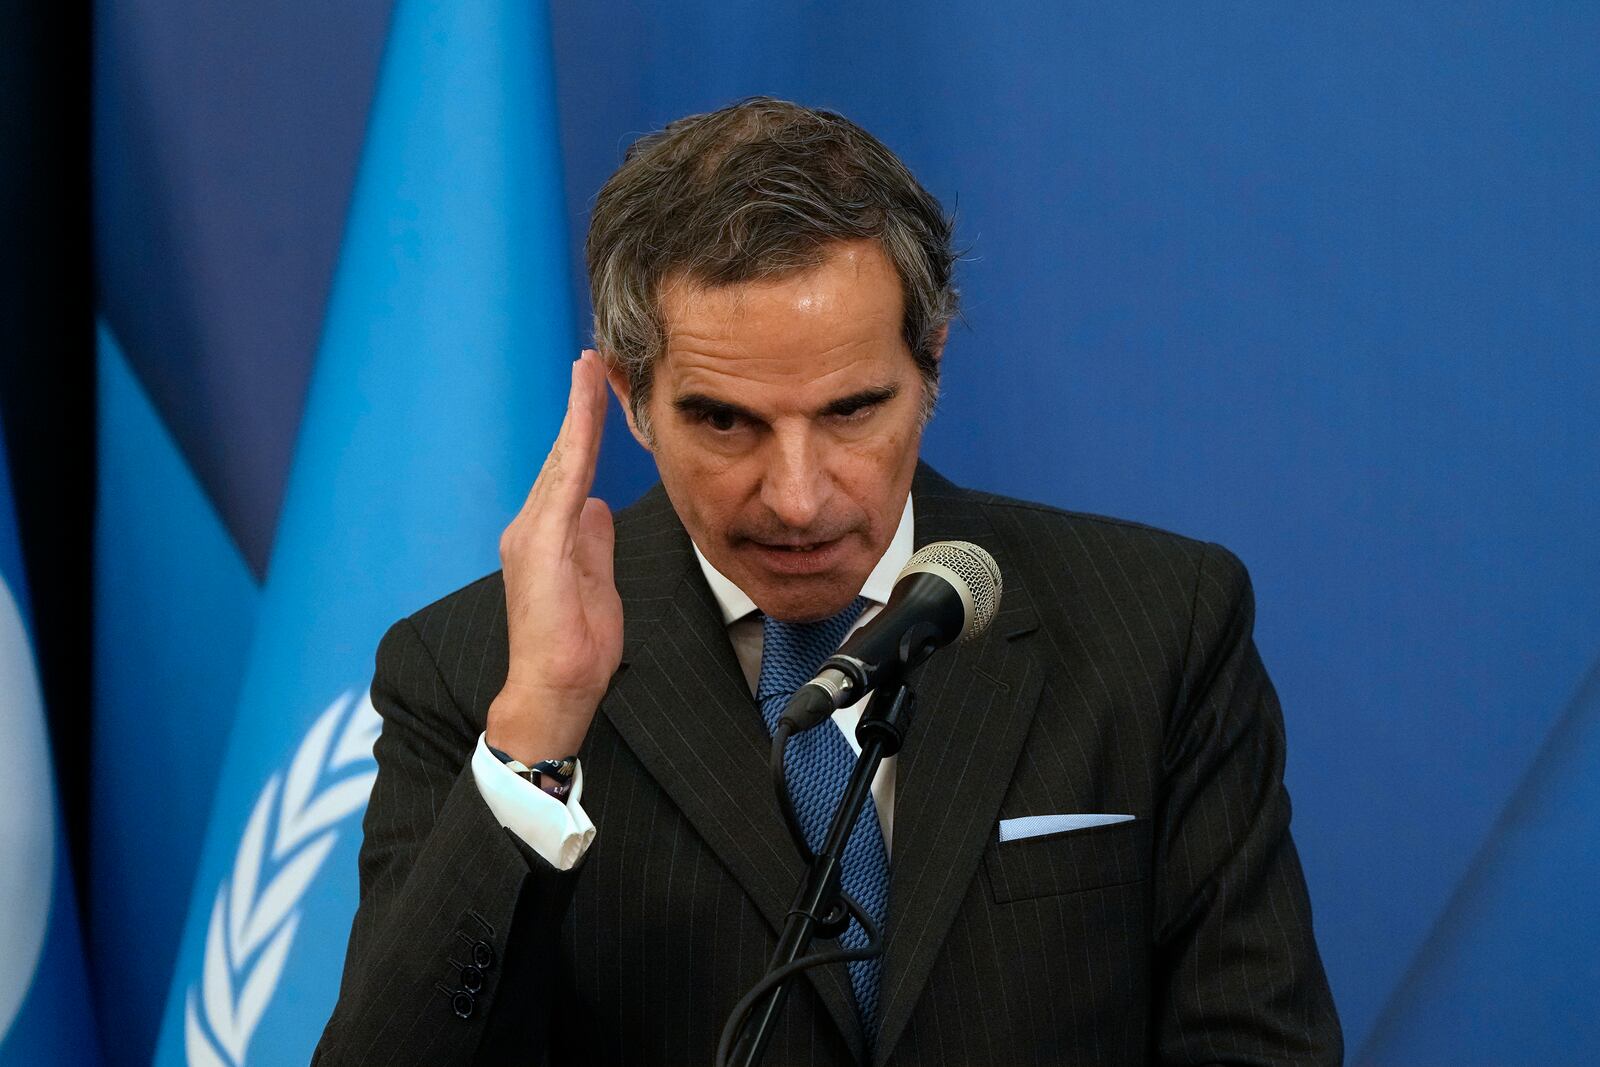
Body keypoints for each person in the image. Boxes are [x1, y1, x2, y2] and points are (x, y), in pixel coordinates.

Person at [314, 97, 1342, 1066]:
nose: (798, 498)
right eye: (726, 420)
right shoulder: (470, 670)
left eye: (851, 410)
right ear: (630, 399)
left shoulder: (1159, 623)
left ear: (931, 365)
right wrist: (540, 728)